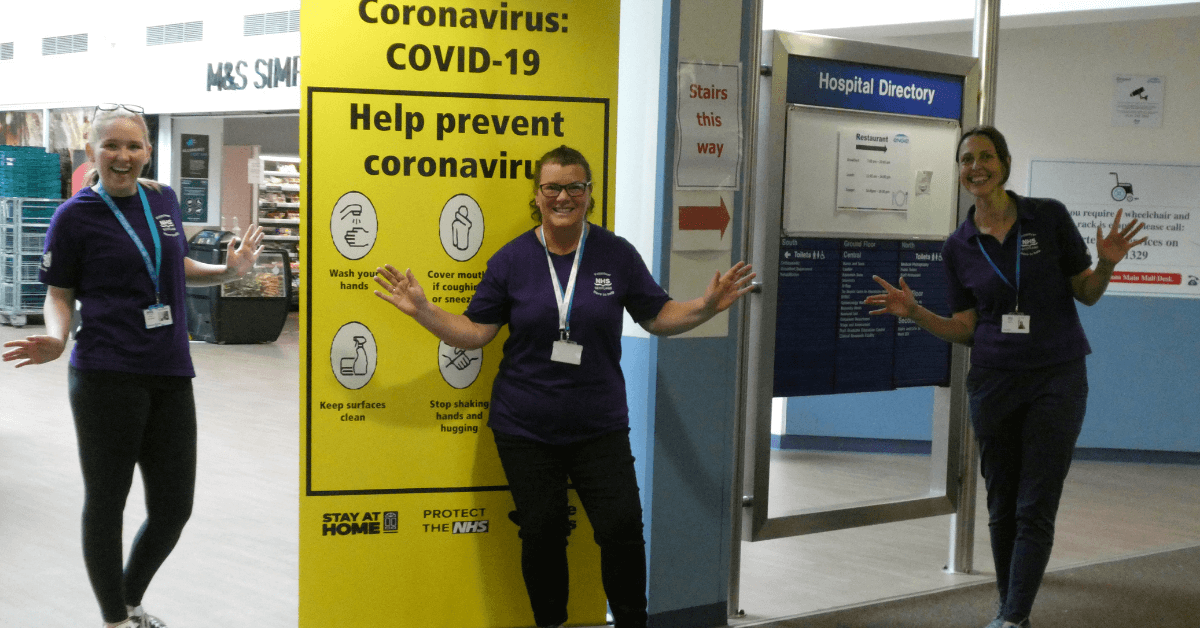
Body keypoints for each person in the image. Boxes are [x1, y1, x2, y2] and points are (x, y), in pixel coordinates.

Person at [374, 144, 755, 628]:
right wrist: (424, 312)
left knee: (621, 529)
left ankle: (632, 622)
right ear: (536, 196)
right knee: (543, 531)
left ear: (589, 195)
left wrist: (704, 306)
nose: (563, 196)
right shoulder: (511, 260)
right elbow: (475, 333)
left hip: (599, 425)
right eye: (553, 187)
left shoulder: (616, 254)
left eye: (575, 186)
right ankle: (550, 623)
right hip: (525, 427)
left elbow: (657, 315)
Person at [864, 126, 1146, 628]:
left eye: (986, 157)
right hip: (993, 381)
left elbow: (1087, 293)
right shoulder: (959, 246)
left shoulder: (1048, 216)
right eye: (967, 159)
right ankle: (1008, 611)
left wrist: (1105, 263)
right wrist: (915, 313)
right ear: (960, 171)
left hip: (1057, 378)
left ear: (1006, 163)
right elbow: (965, 329)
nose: (977, 166)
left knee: (1035, 501)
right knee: (1001, 503)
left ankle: (1012, 618)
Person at [2, 103, 264, 628]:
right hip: (105, 375)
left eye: (134, 146)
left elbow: (176, 266)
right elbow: (59, 293)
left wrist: (227, 270)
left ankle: (127, 597)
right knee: (107, 502)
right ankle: (116, 618)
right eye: (111, 146)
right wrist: (57, 337)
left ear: (147, 150)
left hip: (170, 371)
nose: (123, 156)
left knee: (173, 509)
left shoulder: (162, 199)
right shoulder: (72, 217)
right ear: (93, 152)